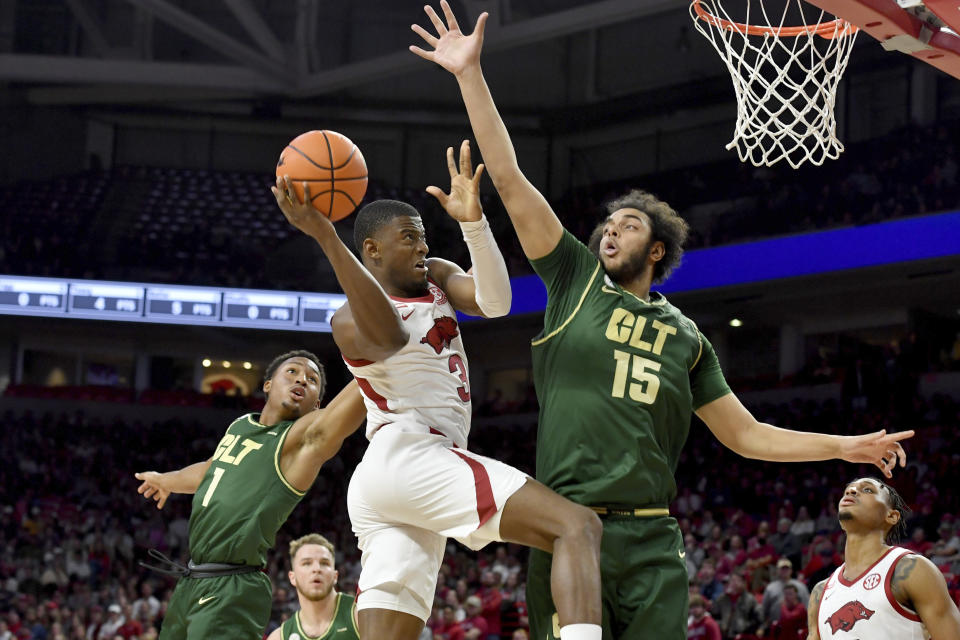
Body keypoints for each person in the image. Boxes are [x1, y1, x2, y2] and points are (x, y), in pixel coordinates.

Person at [408, 3, 916, 638]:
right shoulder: (574, 277)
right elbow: (509, 181)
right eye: (607, 224)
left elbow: (747, 434)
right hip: (567, 526)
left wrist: (845, 447)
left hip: (651, 535)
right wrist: (469, 75)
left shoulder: (687, 337)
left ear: (655, 252)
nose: (610, 231)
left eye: (628, 226)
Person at [274, 143, 602, 640]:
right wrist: (324, 233)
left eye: (424, 237)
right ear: (373, 250)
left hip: (391, 483)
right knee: (576, 527)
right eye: (409, 239)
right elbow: (388, 336)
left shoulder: (438, 279)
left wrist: (474, 223)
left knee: (391, 631)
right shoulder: (348, 321)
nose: (422, 247)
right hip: (412, 455)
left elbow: (496, 302)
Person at [134, 352, 367, 639]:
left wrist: (377, 363)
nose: (301, 380)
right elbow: (210, 469)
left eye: (312, 380)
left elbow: (332, 422)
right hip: (192, 580)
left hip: (232, 585)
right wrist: (167, 480)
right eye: (292, 372)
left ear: (316, 405)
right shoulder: (241, 424)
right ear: (268, 385)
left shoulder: (296, 442)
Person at [807, 477, 960, 639]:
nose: (851, 491)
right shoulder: (820, 592)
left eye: (867, 490)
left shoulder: (913, 570)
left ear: (892, 516)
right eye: (847, 490)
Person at [266, 533, 358, 640]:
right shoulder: (279, 637)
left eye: (324, 563)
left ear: (335, 576)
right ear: (292, 577)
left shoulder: (360, 615)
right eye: (307, 563)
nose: (316, 568)